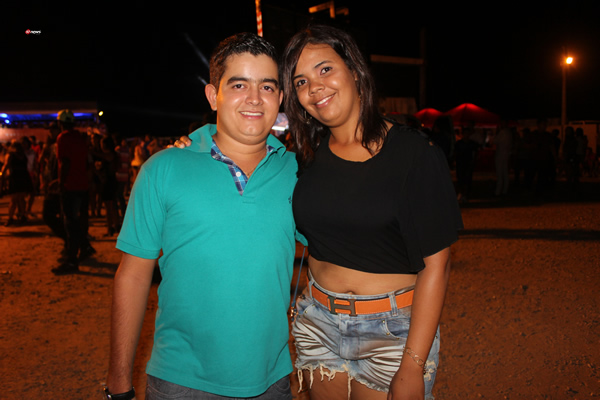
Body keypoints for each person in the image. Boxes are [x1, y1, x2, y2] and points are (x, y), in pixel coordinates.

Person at [105, 32, 299, 400]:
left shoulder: (298, 173)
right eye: (239, 85)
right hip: (180, 382)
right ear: (213, 95)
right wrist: (118, 384)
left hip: (271, 382)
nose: (254, 98)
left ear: (280, 98)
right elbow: (133, 275)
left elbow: (334, 256)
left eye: (267, 87)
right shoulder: (163, 169)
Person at [281, 25, 462, 400]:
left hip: (393, 332)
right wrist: (195, 143)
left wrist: (412, 365)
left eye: (325, 69)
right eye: (301, 81)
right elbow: (240, 149)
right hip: (318, 323)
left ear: (355, 71)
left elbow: (438, 265)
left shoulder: (414, 153)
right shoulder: (306, 155)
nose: (315, 87)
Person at [53, 109, 96, 275]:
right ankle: (84, 247)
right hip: (82, 184)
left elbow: (65, 162)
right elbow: (85, 162)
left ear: (61, 123)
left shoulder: (63, 138)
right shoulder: (80, 138)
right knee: (79, 220)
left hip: (70, 185)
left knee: (70, 222)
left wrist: (61, 183)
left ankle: (71, 260)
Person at [0, 140, 34, 226]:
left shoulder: (10, 155)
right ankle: (23, 216)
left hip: (15, 177)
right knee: (21, 199)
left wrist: (2, 175)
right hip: (24, 177)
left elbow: (6, 165)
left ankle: (10, 218)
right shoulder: (23, 155)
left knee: (13, 200)